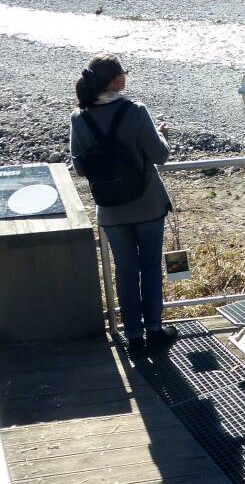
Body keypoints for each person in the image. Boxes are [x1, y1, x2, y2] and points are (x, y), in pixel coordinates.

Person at [69, 53, 177, 353]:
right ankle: (154, 328)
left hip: (110, 209)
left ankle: (132, 335)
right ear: (116, 80)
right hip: (146, 204)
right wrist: (163, 135)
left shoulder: (79, 117)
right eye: (123, 74)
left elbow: (79, 167)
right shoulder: (136, 110)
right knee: (151, 268)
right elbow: (159, 156)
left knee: (124, 271)